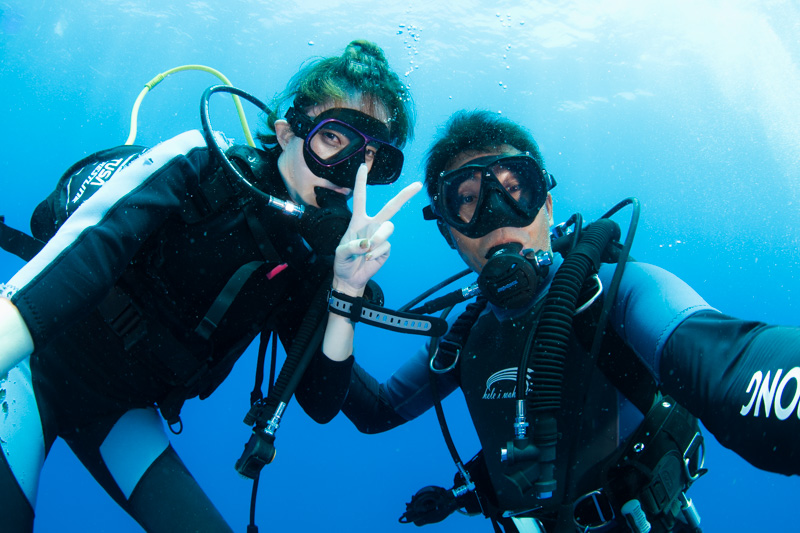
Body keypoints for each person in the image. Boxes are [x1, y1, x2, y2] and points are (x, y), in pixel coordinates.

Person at [300, 109, 800, 532]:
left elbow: (728, 367)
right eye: (468, 199)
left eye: (516, 188)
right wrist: (318, 294)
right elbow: (377, 410)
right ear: (450, 232)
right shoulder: (463, 333)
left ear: (547, 204)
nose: (497, 214)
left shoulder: (616, 293)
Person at [0, 39, 421, 532]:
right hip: (29, 369)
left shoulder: (312, 264)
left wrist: (346, 291)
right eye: (333, 141)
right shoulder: (200, 166)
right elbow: (70, 270)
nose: (350, 176)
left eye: (373, 160)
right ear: (287, 132)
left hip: (120, 412)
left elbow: (322, 403)